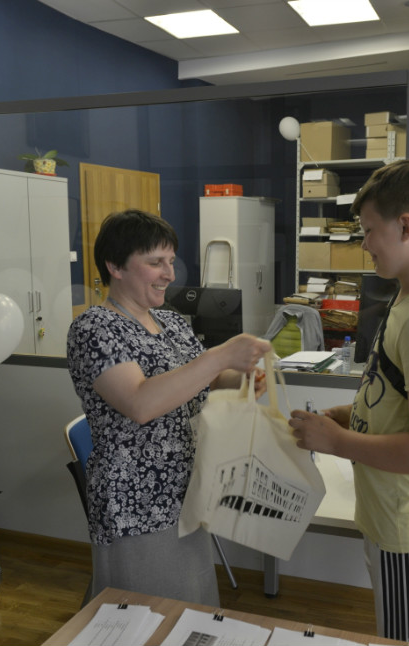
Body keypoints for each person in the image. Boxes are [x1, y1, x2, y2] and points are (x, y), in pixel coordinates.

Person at [288, 159, 409, 646]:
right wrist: (350, 418)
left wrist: (337, 442)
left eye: (369, 230)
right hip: (397, 518)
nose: (364, 243)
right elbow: (397, 400)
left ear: (406, 227)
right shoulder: (407, 299)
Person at [66, 209, 271, 605]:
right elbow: (140, 402)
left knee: (192, 604)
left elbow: (205, 380)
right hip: (136, 501)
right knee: (148, 613)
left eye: (171, 261)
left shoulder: (170, 324)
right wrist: (219, 356)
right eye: (155, 262)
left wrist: (241, 378)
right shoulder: (94, 329)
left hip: (185, 489)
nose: (169, 274)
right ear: (115, 267)